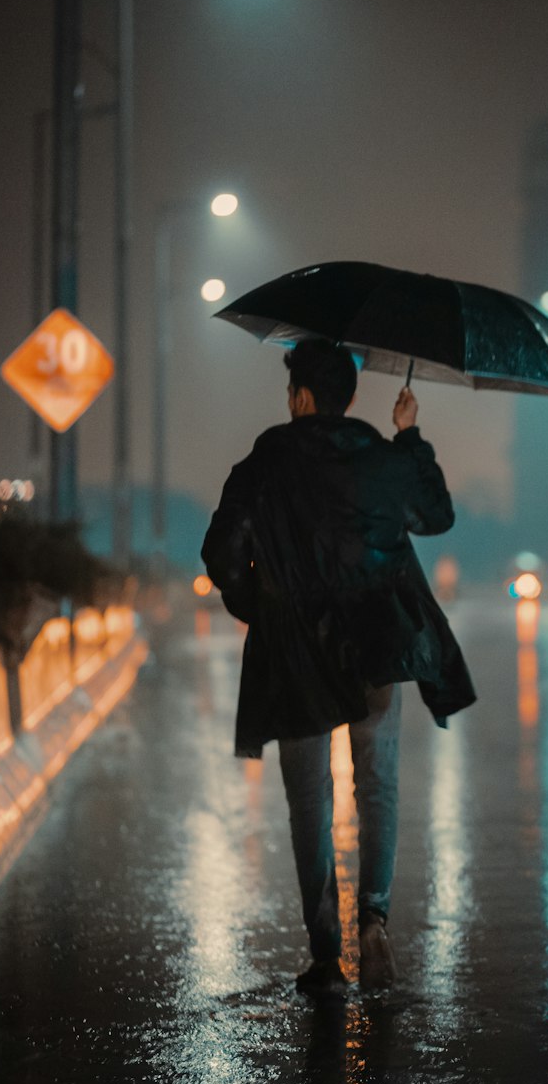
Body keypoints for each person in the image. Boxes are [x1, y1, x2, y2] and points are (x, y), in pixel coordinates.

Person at [201, 338, 475, 998]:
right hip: (377, 644)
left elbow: (222, 549)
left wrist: (256, 605)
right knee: (377, 786)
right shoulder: (383, 457)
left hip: (296, 651)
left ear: (299, 395)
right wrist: (410, 438)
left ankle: (326, 953)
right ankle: (374, 920)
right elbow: (435, 516)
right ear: (350, 396)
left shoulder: (269, 456)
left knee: (309, 799)